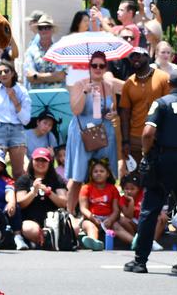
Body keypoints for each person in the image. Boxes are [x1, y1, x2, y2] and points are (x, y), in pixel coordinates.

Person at [124, 69, 177, 275]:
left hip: (165, 161)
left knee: (150, 210)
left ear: (169, 83)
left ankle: (140, 261)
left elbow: (148, 133)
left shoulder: (162, 103)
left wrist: (146, 154)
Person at [66, 51, 119, 214]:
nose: (97, 68)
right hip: (83, 134)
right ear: (89, 67)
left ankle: (101, 211)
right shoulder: (79, 84)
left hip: (104, 133)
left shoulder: (109, 87)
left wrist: (113, 114)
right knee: (78, 176)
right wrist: (85, 92)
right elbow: (75, 110)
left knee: (104, 173)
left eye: (101, 65)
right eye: (94, 65)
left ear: (105, 67)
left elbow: (113, 110)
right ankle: (70, 213)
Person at [120, 47, 171, 162]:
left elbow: (170, 107)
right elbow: (125, 114)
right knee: (136, 176)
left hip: (159, 137)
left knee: (160, 176)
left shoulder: (163, 77)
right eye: (131, 57)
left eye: (138, 55)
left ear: (147, 57)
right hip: (135, 139)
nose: (134, 59)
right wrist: (126, 141)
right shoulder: (128, 83)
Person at [15, 148, 68, 248]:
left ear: (50, 163)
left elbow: (64, 203)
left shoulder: (57, 179)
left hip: (53, 221)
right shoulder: (24, 180)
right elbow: (20, 203)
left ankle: (46, 242)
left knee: (75, 227)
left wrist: (49, 193)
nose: (40, 163)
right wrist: (33, 191)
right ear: (32, 161)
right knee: (30, 229)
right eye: (37, 160)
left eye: (44, 160)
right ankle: (48, 242)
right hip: (30, 220)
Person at [78, 158, 120, 251]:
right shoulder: (86, 188)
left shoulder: (113, 189)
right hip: (91, 217)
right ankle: (94, 242)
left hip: (108, 217)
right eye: (95, 171)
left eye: (102, 171)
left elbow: (116, 209)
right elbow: (83, 208)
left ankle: (134, 241)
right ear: (91, 175)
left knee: (117, 227)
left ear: (108, 174)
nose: (98, 173)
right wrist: (92, 217)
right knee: (90, 226)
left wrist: (111, 219)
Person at [24, 15, 68, 90]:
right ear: (38, 30)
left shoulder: (60, 50)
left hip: (57, 95)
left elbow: (61, 76)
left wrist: (37, 76)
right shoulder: (30, 51)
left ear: (52, 30)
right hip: (36, 96)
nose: (44, 30)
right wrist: (52, 76)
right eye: (41, 28)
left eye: (47, 27)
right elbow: (29, 76)